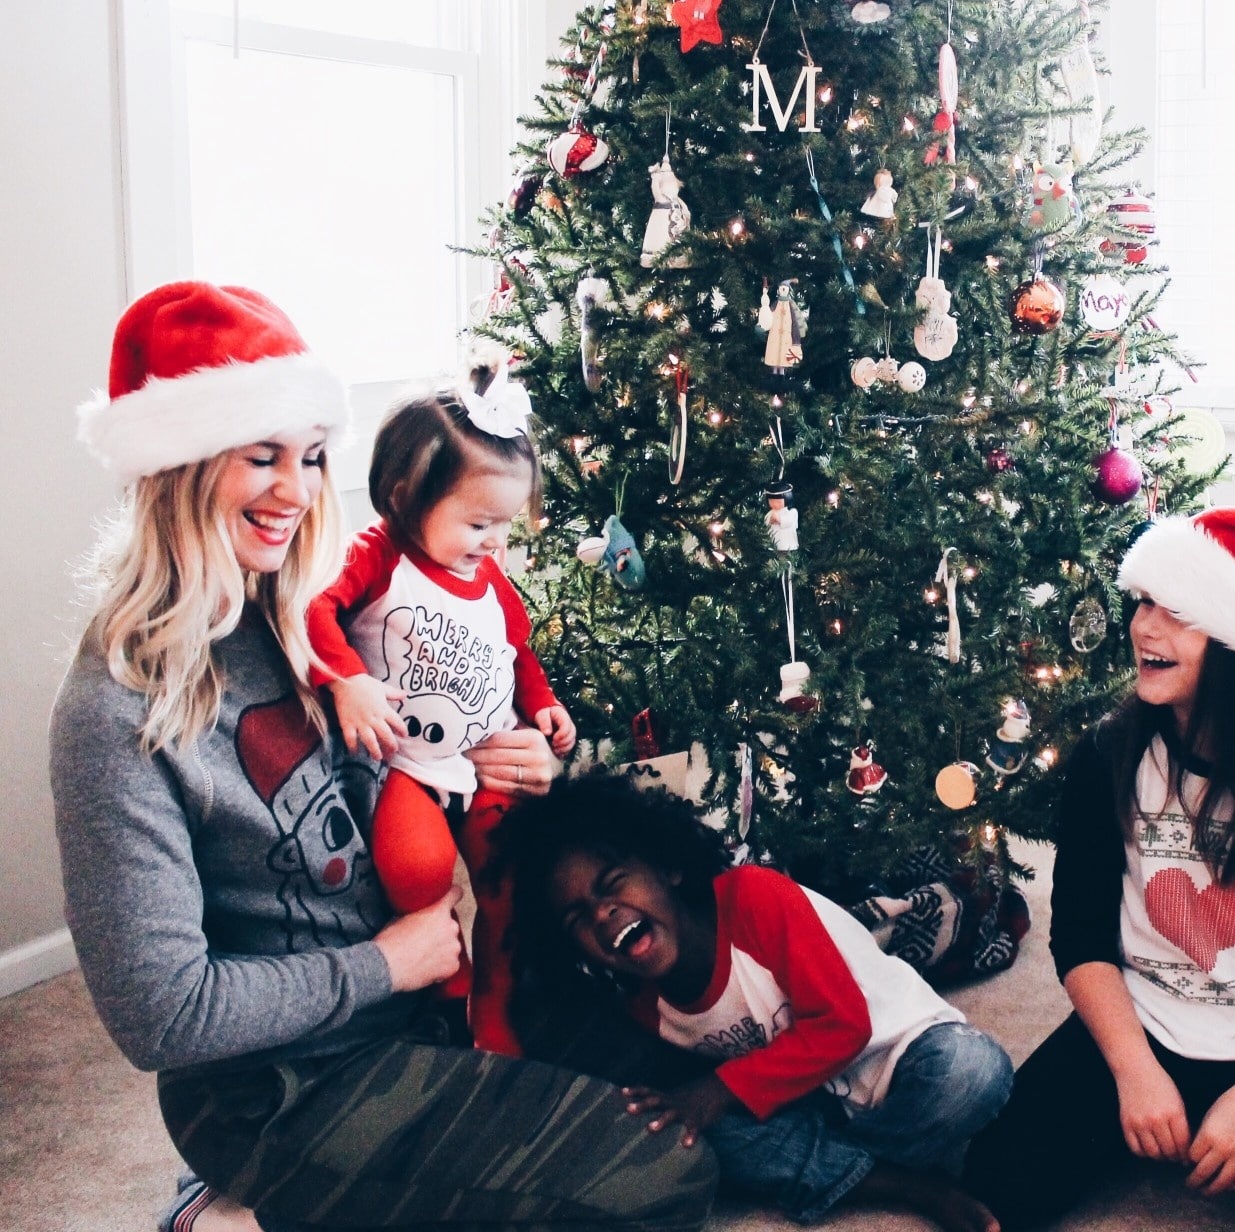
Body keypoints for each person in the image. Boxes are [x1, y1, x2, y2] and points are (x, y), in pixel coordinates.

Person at [50, 281, 717, 1232]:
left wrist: (502, 761)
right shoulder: (114, 713)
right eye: (262, 457)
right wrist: (384, 964)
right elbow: (162, 1015)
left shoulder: (314, 619)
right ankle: (236, 1204)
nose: (296, 490)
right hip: (279, 1084)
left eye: (312, 458)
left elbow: (418, 764)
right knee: (664, 1181)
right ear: (182, 466)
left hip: (427, 1007)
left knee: (696, 1093)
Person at [964, 507, 1235, 1232]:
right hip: (1137, 1027)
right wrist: (1133, 1075)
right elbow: (1079, 938)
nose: (1142, 627)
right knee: (993, 1185)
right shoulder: (1107, 754)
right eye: (1141, 602)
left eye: (1178, 612)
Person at [493, 770, 1014, 1232]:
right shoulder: (639, 1004)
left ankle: (850, 1172)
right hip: (806, 1102)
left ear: (668, 868)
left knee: (974, 1072)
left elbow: (844, 1027)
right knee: (695, 1137)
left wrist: (715, 1092)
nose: (602, 913)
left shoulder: (753, 899)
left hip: (902, 1056)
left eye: (613, 885)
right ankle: (911, 1184)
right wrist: (698, 1108)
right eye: (577, 919)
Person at [305, 361, 574, 1056]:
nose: (495, 542)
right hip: (411, 763)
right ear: (403, 498)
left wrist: (543, 707)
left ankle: (500, 998)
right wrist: (345, 680)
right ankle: (446, 985)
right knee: (418, 872)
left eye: (505, 525)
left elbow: (518, 652)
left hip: (486, 761)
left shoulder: (490, 577)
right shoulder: (377, 555)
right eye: (479, 521)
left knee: (512, 881)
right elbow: (314, 610)